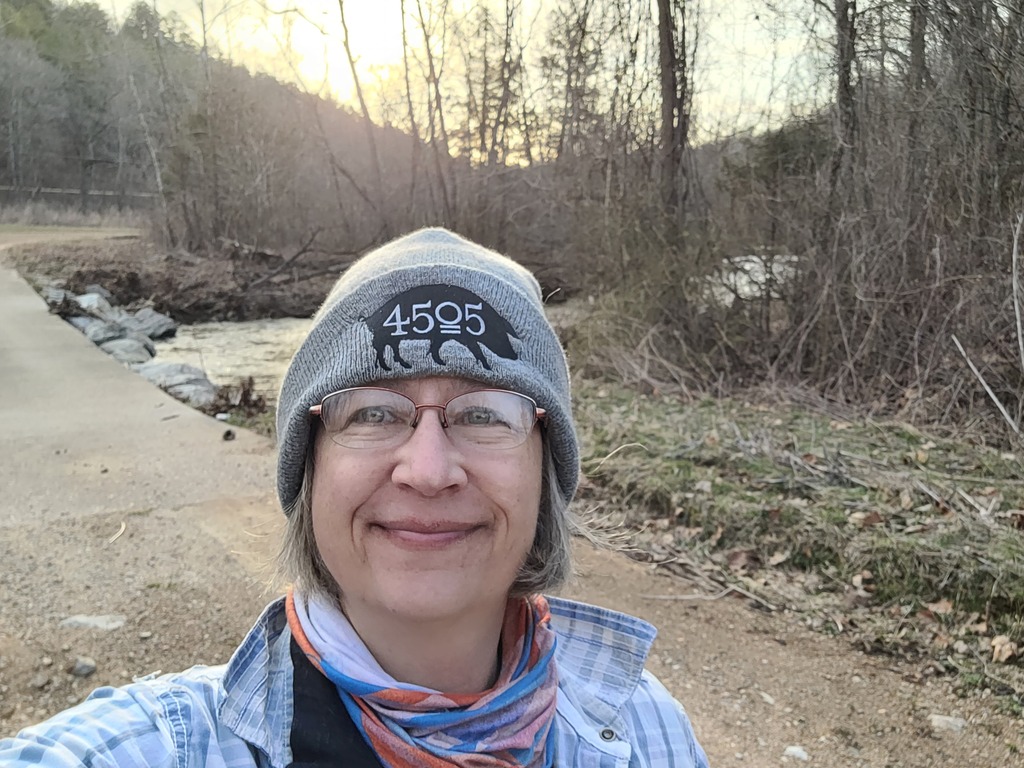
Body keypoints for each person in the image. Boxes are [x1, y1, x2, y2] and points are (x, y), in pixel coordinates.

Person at [0, 229, 708, 767]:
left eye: (485, 414)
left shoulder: (654, 734)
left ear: (546, 472)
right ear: (308, 469)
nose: (428, 471)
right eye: (371, 412)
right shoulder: (162, 747)